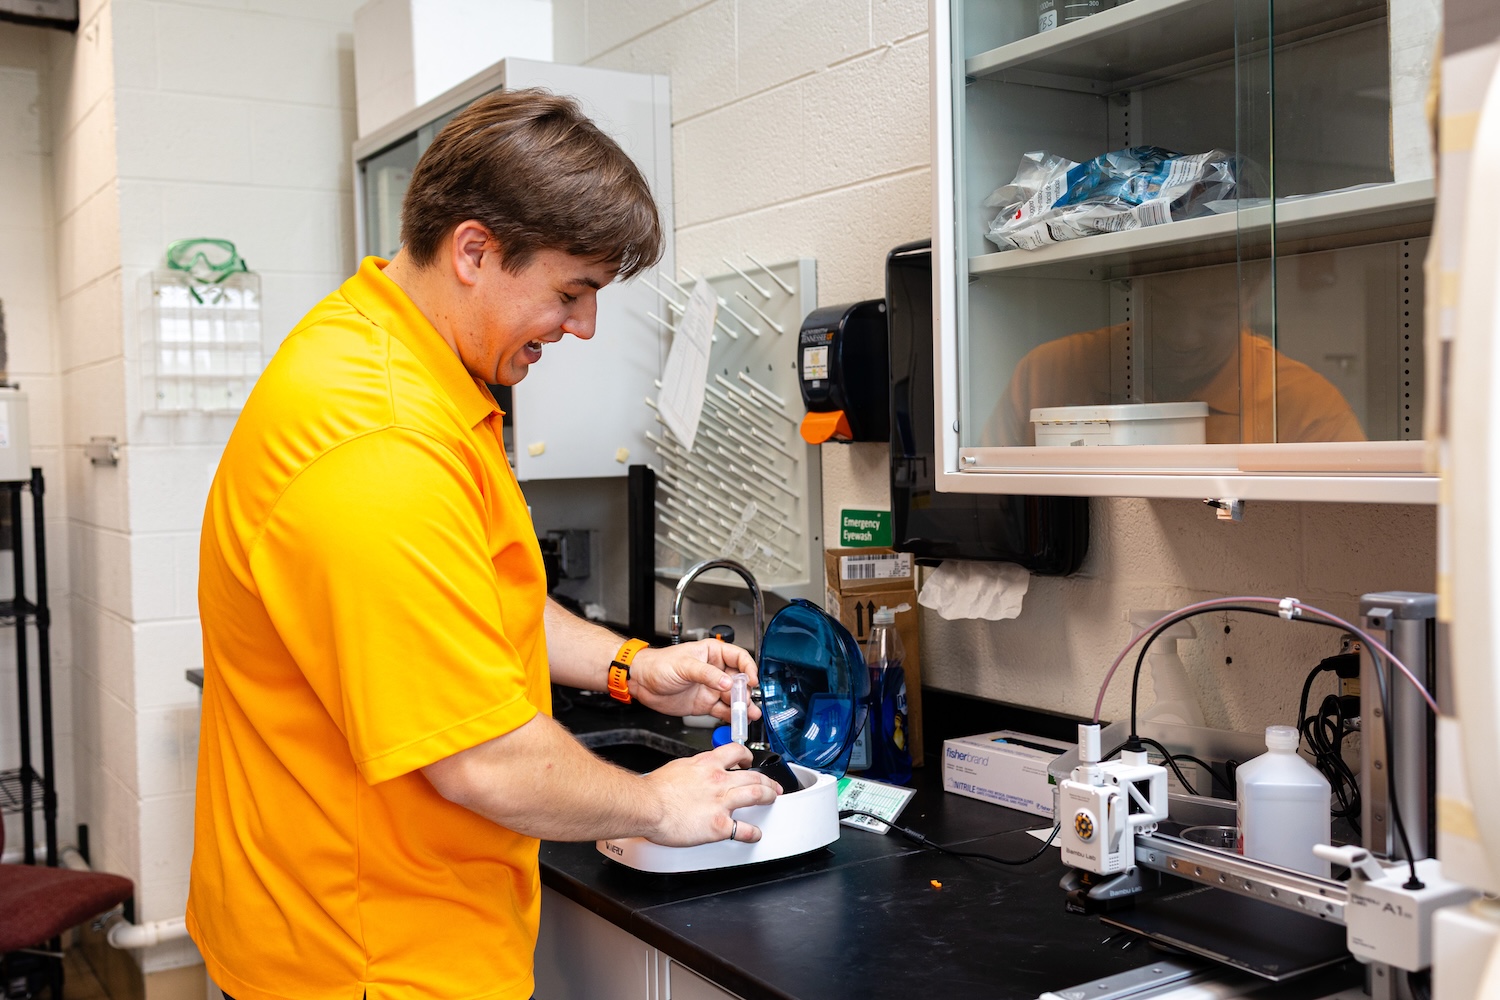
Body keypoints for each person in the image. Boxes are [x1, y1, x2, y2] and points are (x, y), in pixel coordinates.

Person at [186, 89, 782, 1000]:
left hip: (367, 929)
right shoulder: (379, 443)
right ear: (473, 251)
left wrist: (630, 668)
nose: (582, 327)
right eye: (570, 292)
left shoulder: (401, 364)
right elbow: (485, 759)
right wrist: (660, 803)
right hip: (366, 962)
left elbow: (470, 607)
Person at [987, 266, 1366, 446]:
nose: (1184, 337)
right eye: (1162, 307)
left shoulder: (1305, 406)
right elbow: (986, 514)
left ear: (1251, 302)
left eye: (1217, 312)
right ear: (1132, 291)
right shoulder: (1050, 371)